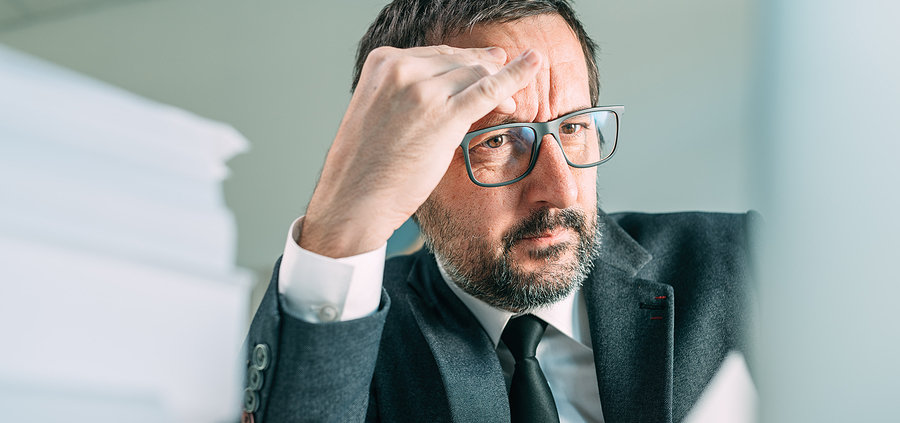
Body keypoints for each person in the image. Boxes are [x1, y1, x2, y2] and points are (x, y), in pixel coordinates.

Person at [241, 1, 758, 422]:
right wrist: (340, 221)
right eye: (498, 139)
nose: (558, 191)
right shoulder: (349, 336)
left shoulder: (750, 265)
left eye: (575, 127)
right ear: (408, 167)